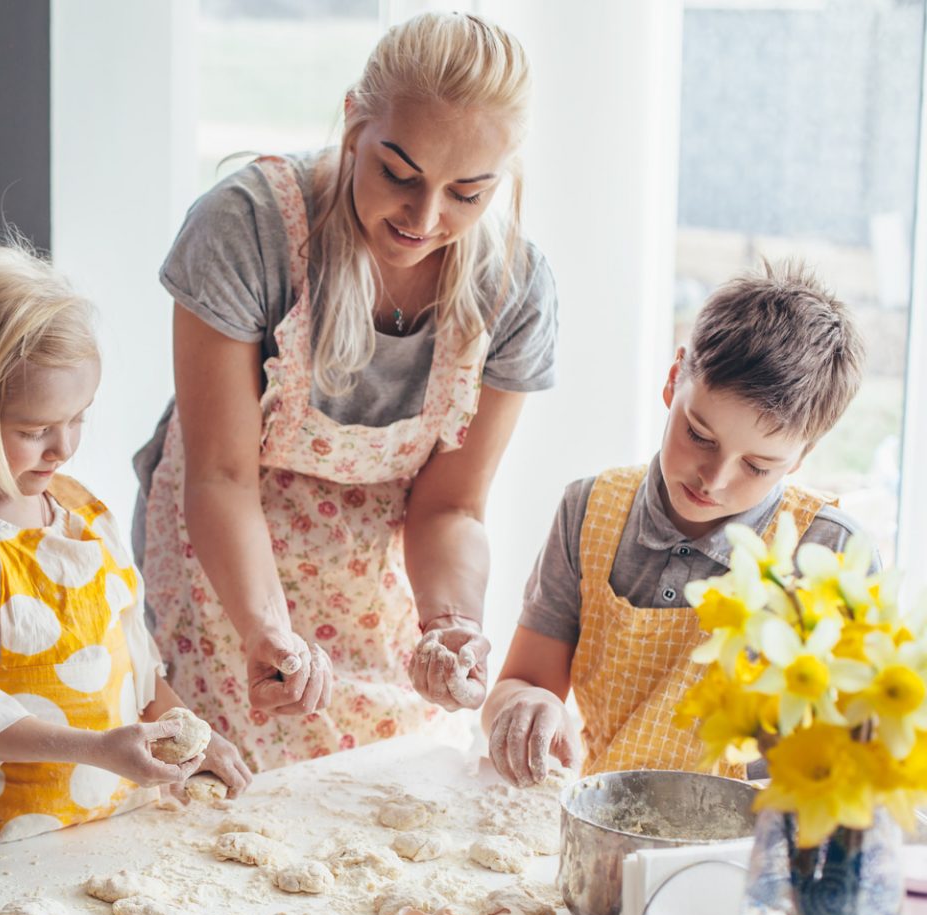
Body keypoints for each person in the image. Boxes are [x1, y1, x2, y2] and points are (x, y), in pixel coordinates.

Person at [135, 12, 558, 771]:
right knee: (223, 814)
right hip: (227, 565)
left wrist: (450, 623)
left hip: (375, 580)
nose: (424, 219)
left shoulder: (515, 289)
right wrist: (267, 630)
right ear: (353, 120)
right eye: (399, 173)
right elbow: (221, 475)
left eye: (467, 192)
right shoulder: (247, 228)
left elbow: (451, 505)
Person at [0, 240, 251, 866]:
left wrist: (191, 732)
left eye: (79, 417)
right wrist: (98, 748)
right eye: (34, 431)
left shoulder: (83, 515)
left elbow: (137, 675)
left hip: (117, 835)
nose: (63, 447)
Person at [482, 262, 871, 787]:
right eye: (700, 435)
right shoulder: (590, 510)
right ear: (674, 380)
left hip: (740, 849)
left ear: (802, 457)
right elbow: (522, 683)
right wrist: (526, 705)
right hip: (604, 822)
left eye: (757, 466)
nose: (714, 478)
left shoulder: (827, 553)